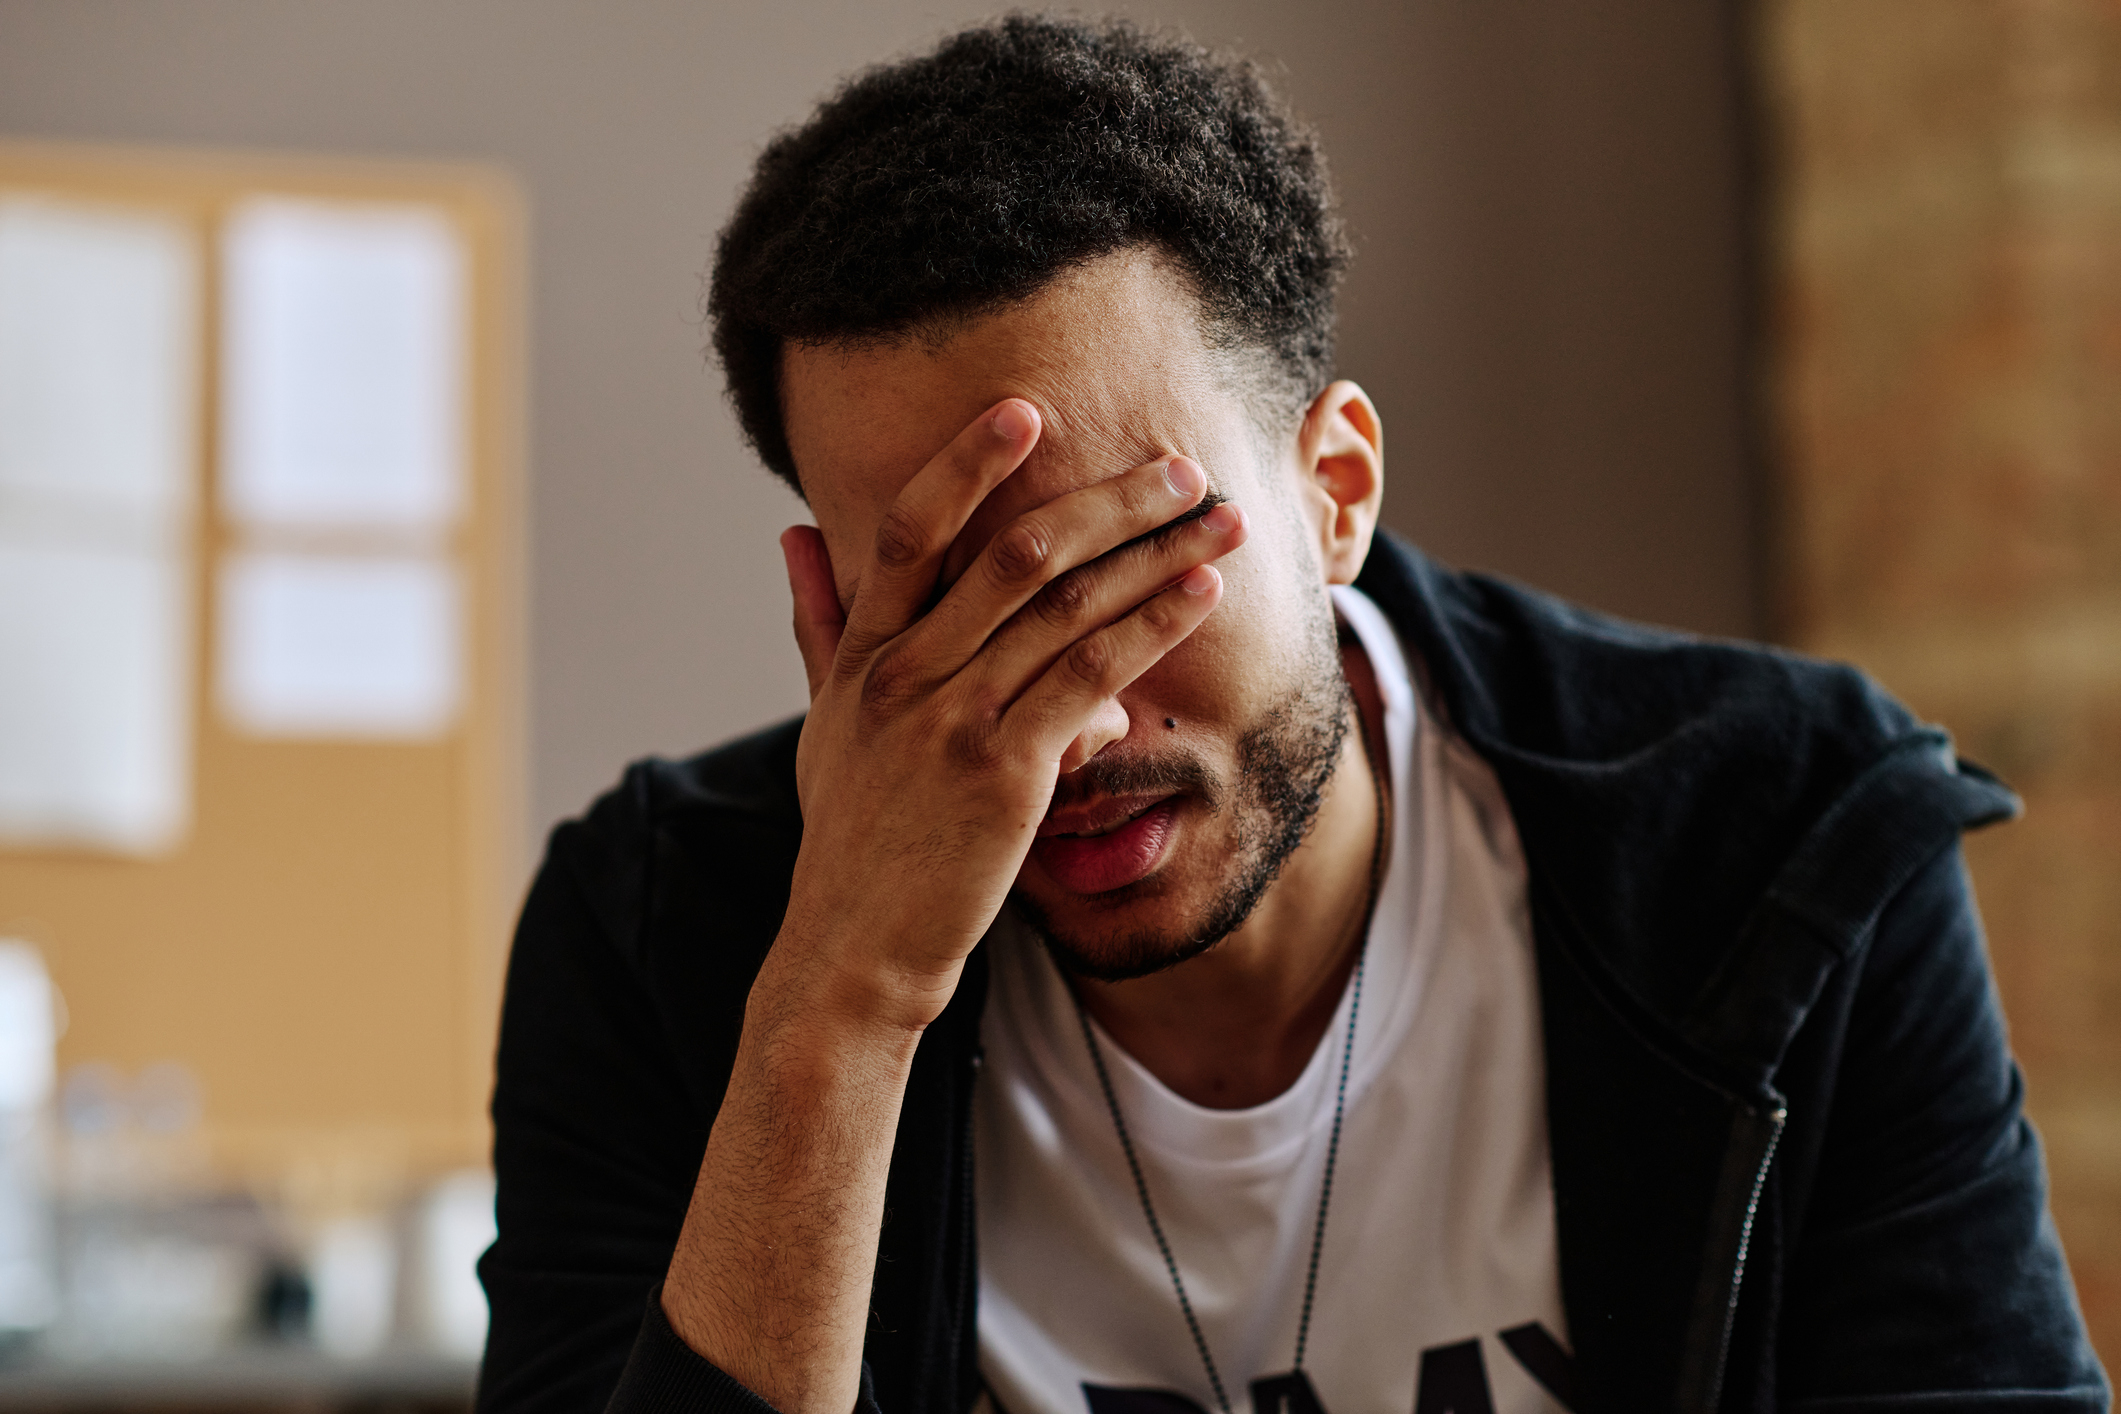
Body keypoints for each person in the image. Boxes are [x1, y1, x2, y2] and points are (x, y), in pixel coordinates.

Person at [474, 16, 2108, 1414]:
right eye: (948, 621)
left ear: (1335, 492)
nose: (1080, 731)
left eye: (1127, 577)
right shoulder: (660, 932)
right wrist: (841, 1001)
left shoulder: (1778, 838)